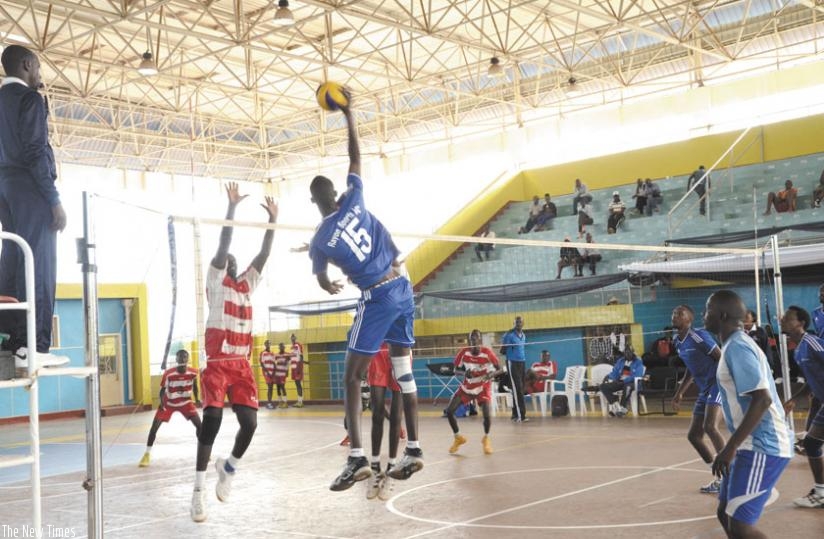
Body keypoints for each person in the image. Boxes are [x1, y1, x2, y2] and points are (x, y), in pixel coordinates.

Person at [307, 91, 423, 492]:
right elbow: (355, 157)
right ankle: (415, 451)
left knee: (352, 377)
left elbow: (322, 281)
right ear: (336, 195)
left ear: (313, 201)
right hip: (404, 289)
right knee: (402, 372)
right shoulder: (355, 200)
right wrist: (350, 114)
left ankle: (356, 456)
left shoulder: (318, 240)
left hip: (376, 297)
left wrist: (330, 280)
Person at [190, 182, 278, 523]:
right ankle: (198, 493)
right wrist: (232, 209)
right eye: (225, 258)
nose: (229, 259)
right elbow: (223, 242)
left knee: (250, 424)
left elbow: (264, 254)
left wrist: (272, 220)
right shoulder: (215, 282)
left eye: (233, 260)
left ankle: (229, 467)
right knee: (210, 424)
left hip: (241, 366)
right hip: (217, 364)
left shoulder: (246, 285)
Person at [0, 45, 68, 369]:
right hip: (29, 187)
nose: (39, 76)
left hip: (5, 190)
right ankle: (34, 345)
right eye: (38, 68)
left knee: (13, 258)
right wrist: (53, 200)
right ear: (27, 65)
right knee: (38, 264)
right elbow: (36, 152)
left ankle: (12, 340)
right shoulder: (29, 100)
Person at [704, 290, 793, 537]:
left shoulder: (738, 348)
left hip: (764, 445)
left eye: (707, 311)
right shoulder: (733, 345)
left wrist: (729, 448)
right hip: (749, 444)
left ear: (721, 315)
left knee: (740, 526)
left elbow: (762, 399)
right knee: (724, 513)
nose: (704, 316)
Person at [670, 304, 727, 494]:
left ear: (689, 319)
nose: (674, 316)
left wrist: (727, 383)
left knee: (710, 426)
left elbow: (721, 358)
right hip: (704, 389)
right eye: (674, 313)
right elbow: (690, 369)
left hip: (717, 384)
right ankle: (718, 475)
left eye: (679, 313)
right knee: (694, 436)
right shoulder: (677, 341)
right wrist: (680, 392)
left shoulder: (699, 337)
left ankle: (730, 476)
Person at [780, 306, 824, 509]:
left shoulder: (812, 342)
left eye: (787, 318)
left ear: (801, 323)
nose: (782, 320)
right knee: (811, 444)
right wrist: (794, 398)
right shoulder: (798, 351)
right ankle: (821, 492)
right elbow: (810, 378)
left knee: (812, 443)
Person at [139, 350, 201, 467]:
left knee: (200, 426)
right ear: (176, 359)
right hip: (169, 403)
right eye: (180, 357)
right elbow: (162, 391)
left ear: (187, 359)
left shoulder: (193, 372)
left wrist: (197, 399)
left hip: (186, 402)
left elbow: (195, 386)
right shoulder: (169, 373)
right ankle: (146, 454)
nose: (182, 359)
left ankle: (203, 452)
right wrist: (162, 403)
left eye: (185, 357)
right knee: (154, 427)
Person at [446, 329, 502, 455]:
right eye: (471, 339)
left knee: (487, 416)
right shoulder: (464, 352)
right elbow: (455, 370)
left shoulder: (487, 353)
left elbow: (500, 370)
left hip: (483, 386)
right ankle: (458, 438)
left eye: (475, 339)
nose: (473, 342)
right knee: (449, 411)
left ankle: (486, 438)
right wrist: (464, 373)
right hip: (468, 386)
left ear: (480, 341)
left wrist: (490, 375)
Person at [365, 343, 405, 501]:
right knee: (377, 413)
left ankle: (392, 468)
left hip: (399, 351)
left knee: (396, 416)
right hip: (377, 351)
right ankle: (375, 467)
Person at [597, 345, 644, 417]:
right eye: (626, 352)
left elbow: (637, 375)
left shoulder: (638, 362)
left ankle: (623, 407)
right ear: (624, 353)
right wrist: (609, 376)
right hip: (620, 382)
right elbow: (615, 372)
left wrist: (625, 380)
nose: (628, 354)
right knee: (603, 386)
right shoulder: (620, 361)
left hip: (632, 383)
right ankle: (616, 406)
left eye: (629, 352)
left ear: (633, 353)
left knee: (627, 387)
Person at [501, 316, 528, 422]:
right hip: (512, 363)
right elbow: (502, 350)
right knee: (517, 388)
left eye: (520, 322)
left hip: (522, 362)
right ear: (514, 323)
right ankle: (521, 415)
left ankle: (514, 414)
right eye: (516, 322)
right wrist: (508, 346)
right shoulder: (509, 335)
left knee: (520, 388)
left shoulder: (523, 335)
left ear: (523, 323)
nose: (518, 324)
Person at [289, 333, 308, 408]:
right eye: (291, 338)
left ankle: (301, 402)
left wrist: (300, 368)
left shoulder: (297, 345)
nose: (292, 339)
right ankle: (299, 401)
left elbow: (301, 356)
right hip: (293, 368)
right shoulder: (291, 347)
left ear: (295, 338)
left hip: (297, 368)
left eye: (293, 337)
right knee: (297, 384)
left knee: (299, 384)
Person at [273, 343, 291, 409]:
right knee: (278, 387)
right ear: (279, 347)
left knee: (283, 387)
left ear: (284, 347)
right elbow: (274, 363)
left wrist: (287, 372)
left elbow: (289, 364)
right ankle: (280, 402)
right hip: (277, 373)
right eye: (280, 346)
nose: (281, 347)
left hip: (283, 373)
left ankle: (285, 402)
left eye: (282, 346)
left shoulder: (287, 354)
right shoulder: (276, 355)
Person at [259, 340, 276, 409]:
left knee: (271, 387)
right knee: (269, 387)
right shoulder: (263, 353)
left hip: (272, 373)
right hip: (267, 372)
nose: (268, 344)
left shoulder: (272, 353)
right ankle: (269, 403)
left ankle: (270, 402)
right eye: (267, 343)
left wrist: (274, 372)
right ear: (265, 344)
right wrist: (268, 372)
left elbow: (274, 363)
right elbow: (262, 364)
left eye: (269, 343)